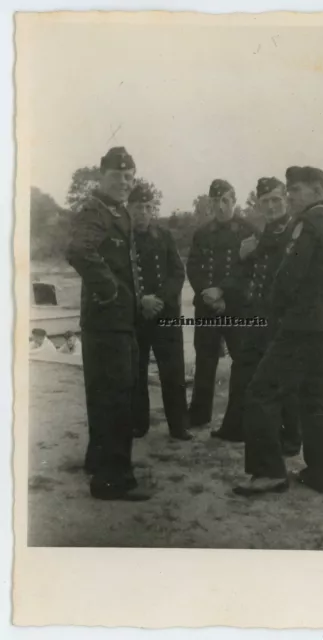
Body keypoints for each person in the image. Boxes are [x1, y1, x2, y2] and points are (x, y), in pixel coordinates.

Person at [233, 166, 323, 497]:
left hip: (299, 323)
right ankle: (320, 474)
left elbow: (288, 276)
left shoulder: (308, 223)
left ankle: (268, 473)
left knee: (261, 391)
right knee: (315, 397)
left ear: (318, 190)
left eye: (297, 190)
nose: (291, 196)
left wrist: (275, 312)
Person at [67, 146, 150, 502]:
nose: (124, 183)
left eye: (129, 177)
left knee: (112, 394)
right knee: (114, 399)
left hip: (118, 321)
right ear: (102, 177)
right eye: (117, 177)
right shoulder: (95, 210)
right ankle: (112, 480)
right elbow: (78, 250)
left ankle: (99, 460)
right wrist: (110, 290)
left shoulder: (117, 212)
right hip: (106, 320)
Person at [212, 176, 302, 455]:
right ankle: (236, 426)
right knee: (243, 369)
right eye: (265, 202)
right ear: (259, 205)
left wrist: (250, 251)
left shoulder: (294, 232)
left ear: (286, 200)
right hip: (257, 315)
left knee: (283, 378)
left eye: (276, 200)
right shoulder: (264, 233)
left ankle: (290, 439)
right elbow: (245, 272)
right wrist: (223, 285)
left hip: (283, 319)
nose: (272, 206)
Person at [186, 178, 256, 428]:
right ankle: (199, 414)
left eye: (226, 200)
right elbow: (193, 267)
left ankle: (237, 417)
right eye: (215, 201)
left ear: (234, 202)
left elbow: (248, 271)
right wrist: (207, 292)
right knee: (204, 359)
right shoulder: (202, 233)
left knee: (242, 360)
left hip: (237, 307)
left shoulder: (248, 231)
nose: (221, 206)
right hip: (207, 306)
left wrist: (223, 292)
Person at [127, 183, 193, 441]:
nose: (142, 212)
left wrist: (160, 300)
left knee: (173, 372)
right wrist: (141, 300)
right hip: (137, 315)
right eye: (137, 207)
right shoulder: (123, 238)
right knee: (137, 371)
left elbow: (178, 272)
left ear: (152, 210)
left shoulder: (163, 236)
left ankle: (179, 426)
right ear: (129, 208)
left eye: (147, 207)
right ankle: (138, 423)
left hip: (165, 314)